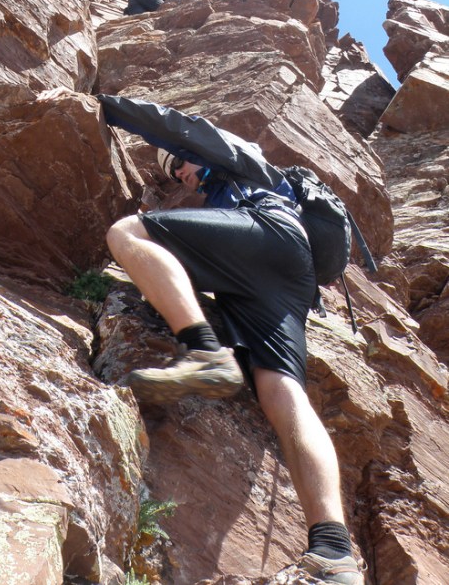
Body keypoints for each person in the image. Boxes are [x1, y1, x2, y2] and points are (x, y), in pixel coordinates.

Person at [98, 93, 366, 585]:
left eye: (178, 165)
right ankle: (334, 554)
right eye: (171, 172)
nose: (177, 173)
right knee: (283, 393)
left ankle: (203, 351)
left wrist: (105, 107)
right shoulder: (229, 197)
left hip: (268, 231)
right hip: (292, 280)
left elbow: (178, 126)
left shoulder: (239, 160)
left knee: (128, 234)